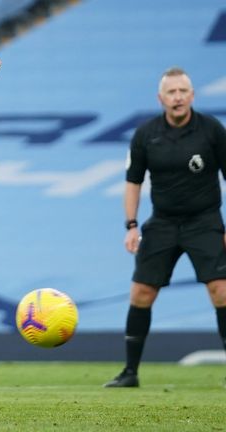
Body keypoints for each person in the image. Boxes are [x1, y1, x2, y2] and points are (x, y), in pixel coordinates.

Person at [104, 67, 226, 388]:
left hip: (205, 221)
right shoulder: (146, 135)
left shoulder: (212, 130)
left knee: (222, 291)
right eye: (171, 93)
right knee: (141, 294)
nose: (178, 98)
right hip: (163, 223)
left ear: (192, 95)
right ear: (161, 99)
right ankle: (130, 372)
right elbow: (133, 183)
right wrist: (131, 225)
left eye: (183, 91)